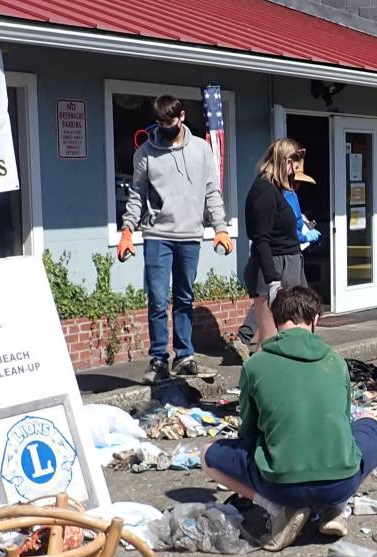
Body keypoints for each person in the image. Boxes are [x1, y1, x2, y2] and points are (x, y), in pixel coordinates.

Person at [201, 286, 377, 552]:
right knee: (373, 424)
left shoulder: (256, 365)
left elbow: (249, 433)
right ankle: (336, 507)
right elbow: (343, 425)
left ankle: (277, 509)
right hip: (340, 482)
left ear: (275, 320)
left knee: (207, 454)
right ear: (315, 319)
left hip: (281, 486)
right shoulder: (336, 361)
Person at [118, 95, 233, 385]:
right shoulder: (145, 153)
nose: (163, 127)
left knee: (184, 298)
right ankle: (158, 359)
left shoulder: (201, 150)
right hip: (158, 235)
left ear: (181, 116)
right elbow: (136, 195)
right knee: (158, 300)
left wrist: (220, 227)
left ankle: (184, 356)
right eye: (159, 123)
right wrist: (128, 231)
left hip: (190, 235)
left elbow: (211, 191)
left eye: (168, 122)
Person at [229, 155, 320, 360]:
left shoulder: (286, 194)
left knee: (291, 313)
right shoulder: (270, 192)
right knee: (272, 327)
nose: (295, 184)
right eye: (294, 180)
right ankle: (248, 346)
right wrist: (304, 236)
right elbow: (267, 235)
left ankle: (246, 340)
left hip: (291, 257)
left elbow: (291, 225)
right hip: (279, 261)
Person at [242, 138, 308, 345]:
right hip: (274, 266)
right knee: (271, 340)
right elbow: (260, 239)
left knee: (290, 334)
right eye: (294, 167)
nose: (293, 173)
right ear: (286, 160)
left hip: (289, 262)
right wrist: (273, 281)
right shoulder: (263, 191)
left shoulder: (275, 189)